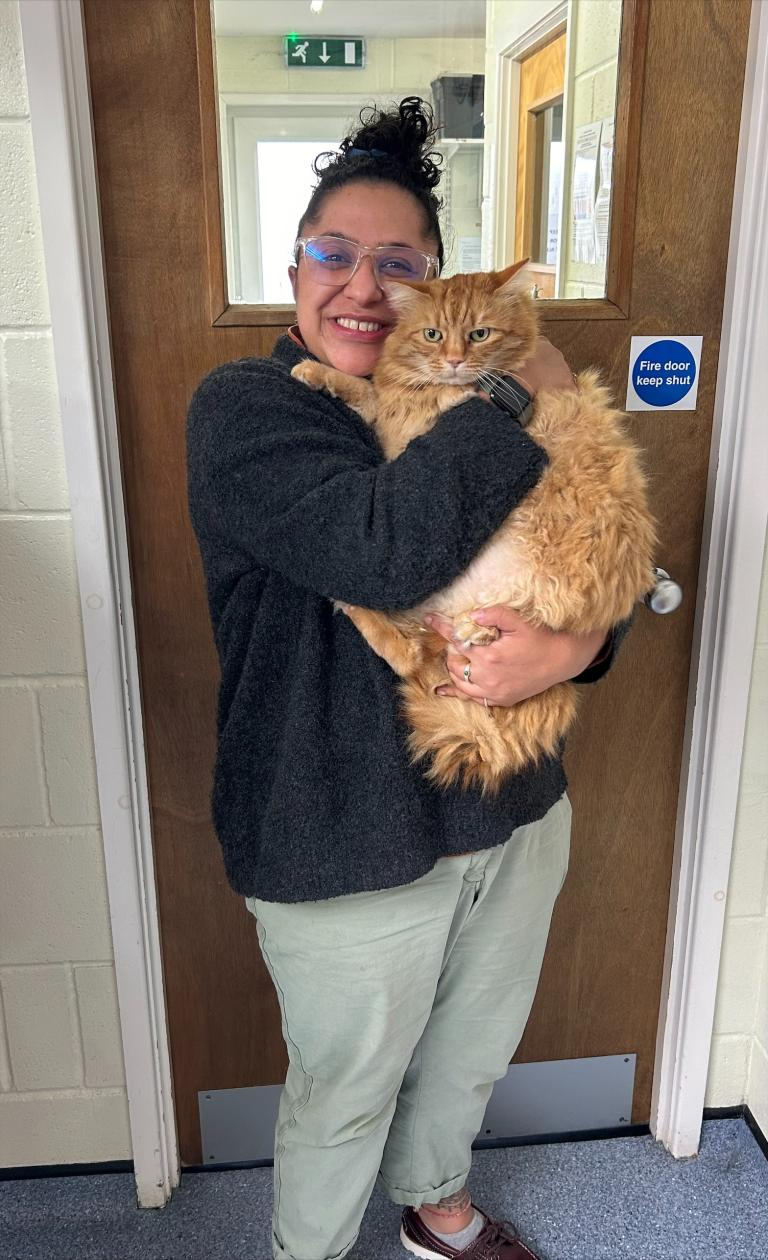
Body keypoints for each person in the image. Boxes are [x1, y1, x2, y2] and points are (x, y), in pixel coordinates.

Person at [187, 98, 620, 1260]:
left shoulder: (467, 411)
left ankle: (436, 1207)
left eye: (400, 264)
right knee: (345, 1084)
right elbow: (388, 550)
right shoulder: (251, 412)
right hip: (338, 826)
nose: (365, 289)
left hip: (504, 797)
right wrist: (529, 389)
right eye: (337, 255)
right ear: (294, 270)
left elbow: (584, 558)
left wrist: (577, 647)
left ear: (435, 284)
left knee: (471, 1046)